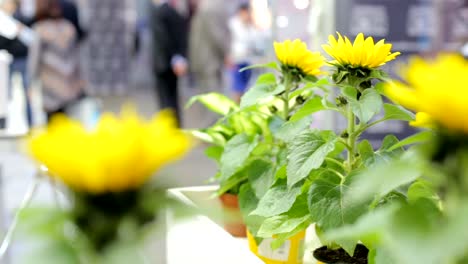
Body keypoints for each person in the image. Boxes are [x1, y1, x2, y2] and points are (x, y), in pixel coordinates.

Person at [27, 0, 83, 121]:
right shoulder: (68, 27)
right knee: (69, 122)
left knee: (53, 123)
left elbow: (34, 59)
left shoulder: (40, 30)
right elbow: (77, 56)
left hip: (50, 82)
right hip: (69, 81)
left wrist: (30, 82)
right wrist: (80, 80)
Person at [150, 0, 188, 126]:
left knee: (165, 99)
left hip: (162, 64)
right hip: (171, 63)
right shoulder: (172, 12)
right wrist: (178, 59)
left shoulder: (160, 12)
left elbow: (164, 40)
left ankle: (169, 128)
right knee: (173, 98)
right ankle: (175, 126)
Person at [228, 3, 257, 102]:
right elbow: (229, 42)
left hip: (247, 60)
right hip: (236, 59)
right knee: (237, 87)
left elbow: (254, 41)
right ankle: (236, 109)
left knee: (245, 87)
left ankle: (242, 107)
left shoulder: (250, 26)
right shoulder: (233, 24)